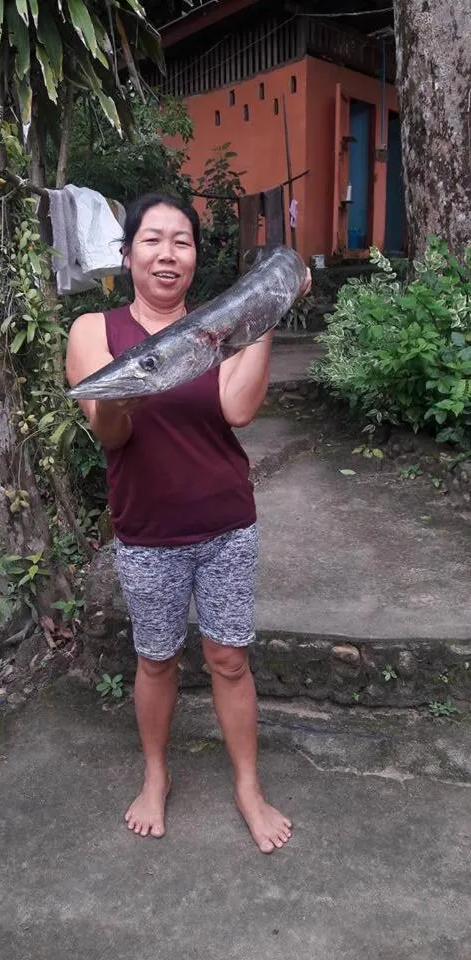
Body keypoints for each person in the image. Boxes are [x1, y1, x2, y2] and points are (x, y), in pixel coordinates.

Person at [66, 193, 311, 854]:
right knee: (155, 658)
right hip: (147, 532)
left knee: (229, 658)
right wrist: (134, 388)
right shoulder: (95, 332)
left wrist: (265, 315)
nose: (167, 252)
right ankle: (155, 775)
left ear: (195, 256)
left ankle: (249, 786)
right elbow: (110, 437)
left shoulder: (221, 323)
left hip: (227, 522)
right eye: (152, 239)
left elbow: (236, 411)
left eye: (182, 240)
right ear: (127, 254)